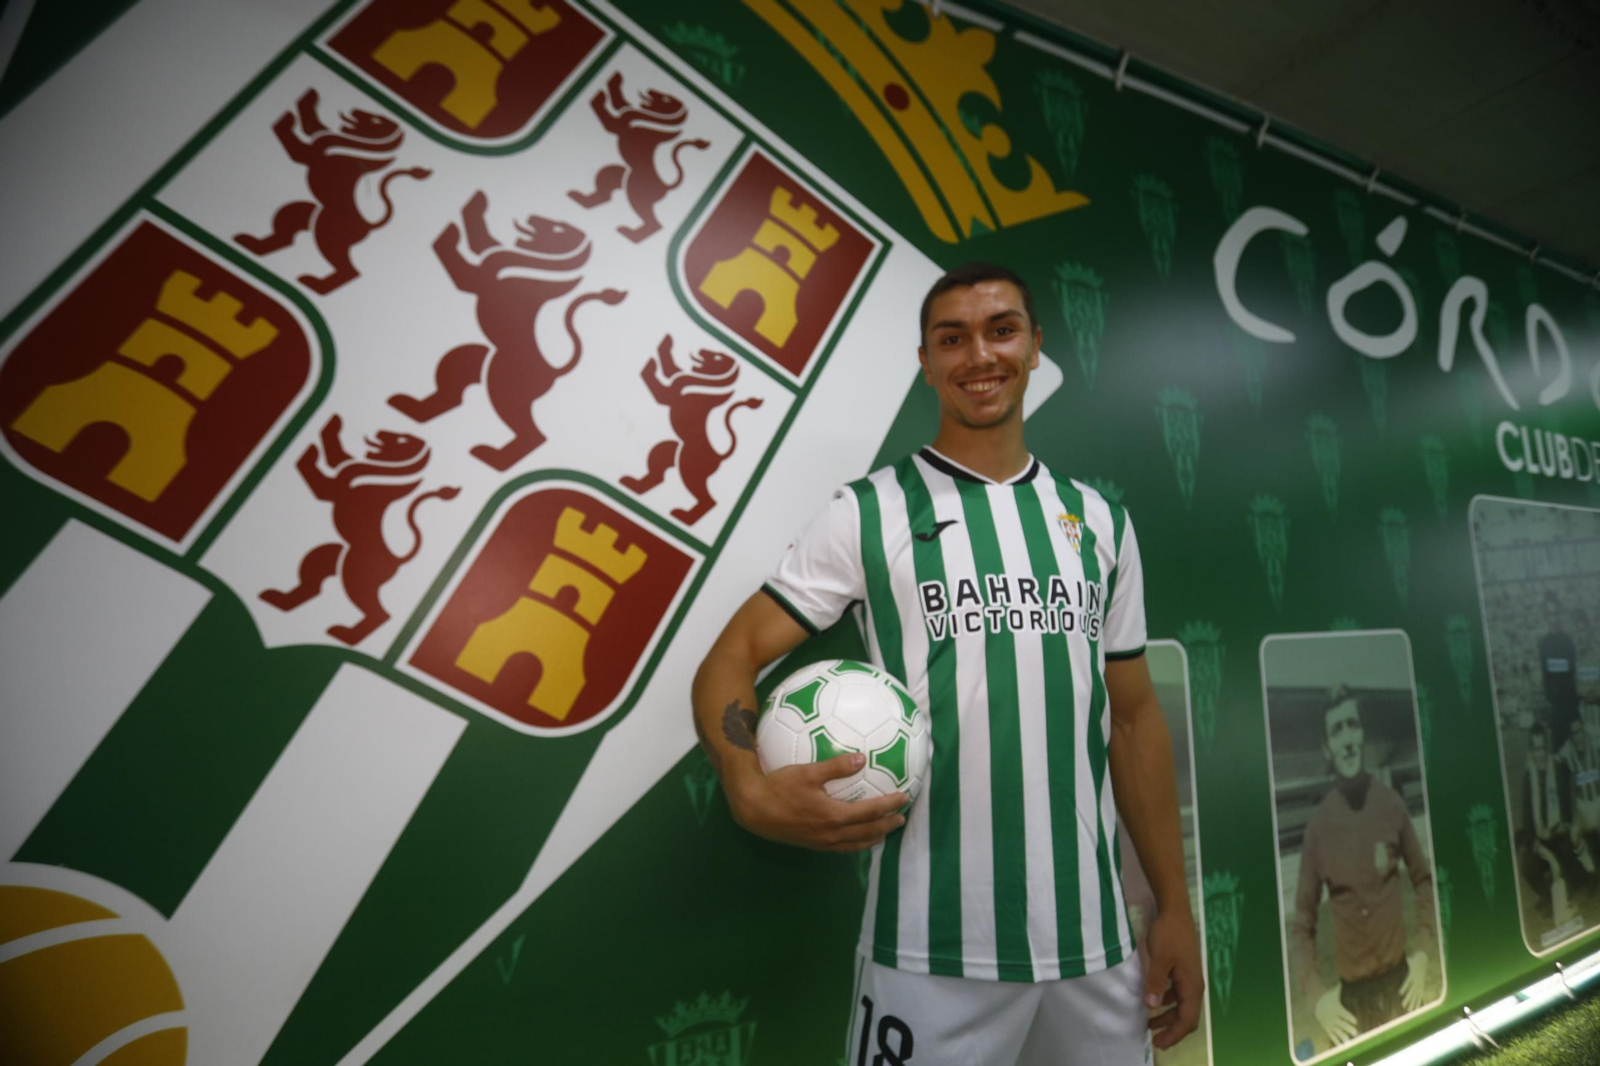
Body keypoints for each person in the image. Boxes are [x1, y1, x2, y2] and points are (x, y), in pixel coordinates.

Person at [692, 263, 1202, 1065]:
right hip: (928, 950)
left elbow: (1134, 719)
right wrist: (743, 776)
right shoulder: (867, 512)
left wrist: (1174, 908)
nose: (980, 356)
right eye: (952, 338)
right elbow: (732, 655)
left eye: (1002, 330)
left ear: (1037, 347)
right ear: (926, 362)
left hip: (1096, 945)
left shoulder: (1098, 522)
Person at [1289, 686, 1438, 1051]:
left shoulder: (1391, 805)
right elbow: (1302, 926)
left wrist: (1422, 953)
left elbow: (1424, 881)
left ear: (1363, 733)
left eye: (1352, 725)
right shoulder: (1319, 827)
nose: (1347, 739)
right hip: (1351, 1004)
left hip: (1405, 985)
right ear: (1327, 748)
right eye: (1336, 731)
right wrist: (1317, 996)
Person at [1521, 722, 1582, 917]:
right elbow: (1528, 824)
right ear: (1532, 749)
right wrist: (1546, 853)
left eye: (1543, 748)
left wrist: (1569, 824)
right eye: (1536, 748)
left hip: (1559, 832)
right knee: (1527, 865)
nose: (1540, 754)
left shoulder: (1557, 768)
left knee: (1568, 854)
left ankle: (1568, 891)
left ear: (1547, 747)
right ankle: (1550, 898)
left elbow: (1570, 801)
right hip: (1541, 840)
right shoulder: (1528, 779)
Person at [1539, 596, 1580, 747]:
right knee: (1558, 753)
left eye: (1556, 614)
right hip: (1555, 707)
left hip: (1570, 704)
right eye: (1550, 614)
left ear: (1560, 615)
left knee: (1576, 750)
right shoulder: (1543, 644)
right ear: (1546, 617)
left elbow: (1571, 670)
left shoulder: (1568, 641)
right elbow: (1546, 675)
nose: (1553, 618)